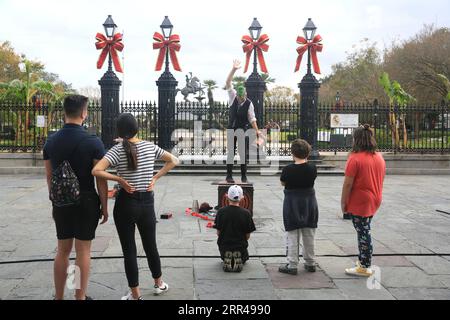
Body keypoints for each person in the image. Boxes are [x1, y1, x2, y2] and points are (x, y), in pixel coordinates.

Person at [92, 113, 179, 300]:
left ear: (119, 132)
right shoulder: (149, 147)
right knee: (150, 246)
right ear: (137, 128)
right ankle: (159, 284)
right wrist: (155, 177)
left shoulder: (116, 150)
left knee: (129, 250)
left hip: (125, 203)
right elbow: (174, 160)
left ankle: (135, 295)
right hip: (147, 202)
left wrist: (119, 179)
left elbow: (96, 170)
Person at [43, 95, 108, 300]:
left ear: (64, 113)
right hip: (86, 201)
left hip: (61, 202)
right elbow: (100, 180)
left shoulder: (51, 142)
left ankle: (59, 297)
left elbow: (49, 176)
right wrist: (104, 206)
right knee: (82, 251)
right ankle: (79, 297)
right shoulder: (93, 142)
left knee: (63, 249)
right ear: (83, 113)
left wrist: (56, 200)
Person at [341, 124, 386, 277]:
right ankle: (363, 261)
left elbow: (347, 184)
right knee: (365, 229)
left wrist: (343, 203)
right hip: (375, 198)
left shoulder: (354, 159)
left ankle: (365, 266)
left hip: (360, 201)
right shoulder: (379, 156)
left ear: (356, 140)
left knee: (363, 233)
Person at [278, 139, 319, 275]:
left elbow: (283, 183)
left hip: (292, 202)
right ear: (307, 152)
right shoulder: (312, 168)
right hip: (309, 202)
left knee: (292, 233)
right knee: (309, 233)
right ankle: (310, 262)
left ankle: (292, 264)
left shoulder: (288, 169)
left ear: (292, 153)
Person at [225, 60, 262, 183]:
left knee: (242, 154)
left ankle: (243, 176)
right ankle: (229, 176)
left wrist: (257, 131)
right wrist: (234, 70)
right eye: (240, 97)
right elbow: (228, 82)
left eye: (243, 97)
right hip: (231, 129)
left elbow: (252, 119)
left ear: (246, 94)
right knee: (231, 153)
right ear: (237, 95)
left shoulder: (249, 103)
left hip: (242, 129)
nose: (241, 99)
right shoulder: (232, 97)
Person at [213, 185, 256, 272]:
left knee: (226, 250)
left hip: (224, 246)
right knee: (244, 256)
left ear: (226, 196)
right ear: (242, 198)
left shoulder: (221, 212)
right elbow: (247, 235)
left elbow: (218, 233)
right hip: (240, 246)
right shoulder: (246, 213)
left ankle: (227, 256)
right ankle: (238, 256)